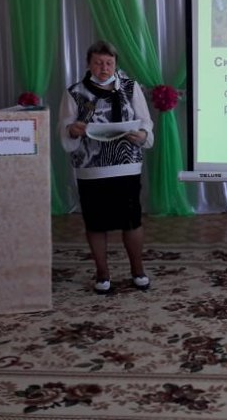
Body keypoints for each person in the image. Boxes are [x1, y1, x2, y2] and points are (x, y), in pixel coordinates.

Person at [59, 40, 154, 295]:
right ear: (88, 64)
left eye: (109, 63)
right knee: (96, 222)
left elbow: (145, 122)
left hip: (126, 165)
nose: (104, 68)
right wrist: (72, 129)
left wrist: (142, 135)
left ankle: (138, 270)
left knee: (131, 221)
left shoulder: (130, 87)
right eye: (98, 63)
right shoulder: (75, 92)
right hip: (91, 168)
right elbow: (65, 128)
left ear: (116, 64)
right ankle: (102, 272)